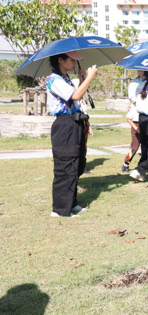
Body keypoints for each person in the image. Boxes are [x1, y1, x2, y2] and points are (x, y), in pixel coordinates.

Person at [45, 52, 97, 217]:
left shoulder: (65, 78)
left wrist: (81, 80)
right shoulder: (53, 79)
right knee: (65, 165)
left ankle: (71, 203)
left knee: (76, 164)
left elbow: (74, 98)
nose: (74, 63)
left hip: (75, 123)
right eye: (72, 60)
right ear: (61, 60)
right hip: (64, 124)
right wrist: (90, 77)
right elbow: (75, 95)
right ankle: (60, 209)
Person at [122, 71, 145, 173]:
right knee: (134, 147)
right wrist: (136, 128)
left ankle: (143, 165)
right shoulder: (134, 106)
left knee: (146, 147)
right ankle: (126, 163)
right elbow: (128, 118)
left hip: (146, 123)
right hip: (136, 124)